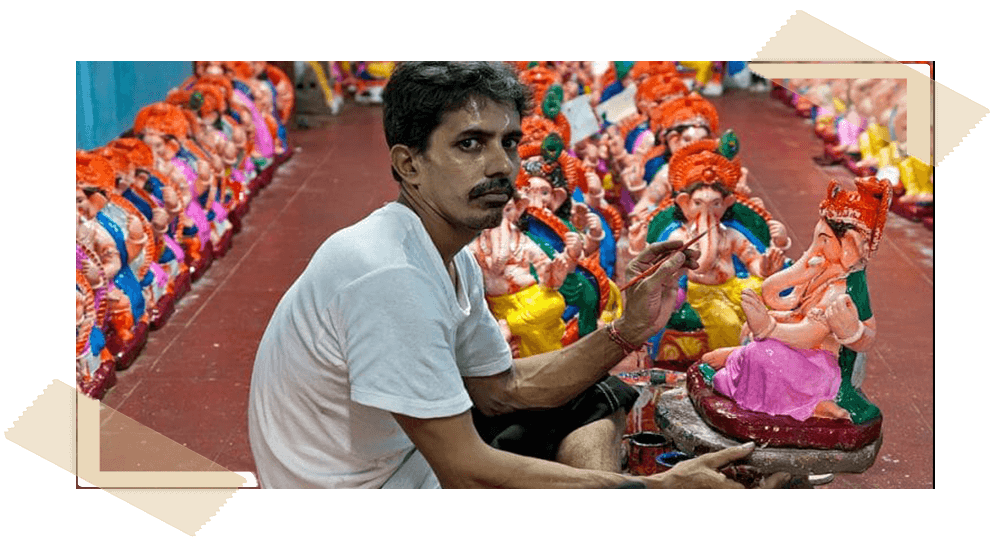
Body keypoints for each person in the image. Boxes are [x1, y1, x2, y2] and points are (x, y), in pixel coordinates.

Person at [247, 61, 788, 489]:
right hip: (385, 481)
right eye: (470, 144)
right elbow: (466, 471)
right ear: (409, 164)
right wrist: (654, 488)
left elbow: (501, 389)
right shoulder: (387, 274)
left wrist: (633, 327)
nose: (502, 166)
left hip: (404, 460)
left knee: (594, 393)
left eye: (507, 142)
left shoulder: (447, 249)